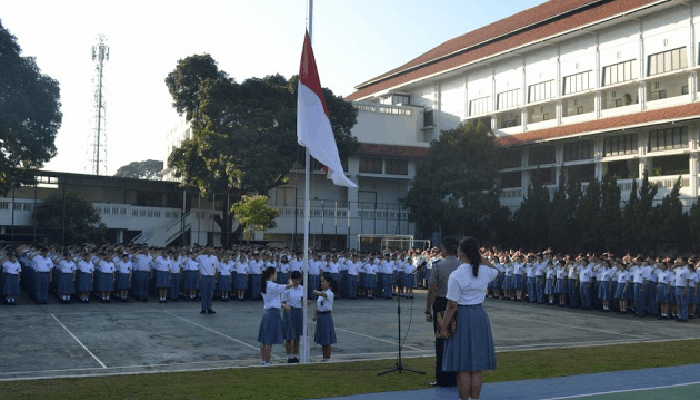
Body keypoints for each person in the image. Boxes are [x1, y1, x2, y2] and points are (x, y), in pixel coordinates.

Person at [440, 237, 498, 400]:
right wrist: (479, 257)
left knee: (463, 367)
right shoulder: (484, 271)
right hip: (479, 316)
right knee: (476, 367)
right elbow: (495, 269)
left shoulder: (456, 275)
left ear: (461, 253)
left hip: (462, 317)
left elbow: (452, 305)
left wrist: (443, 327)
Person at [425, 236, 459, 388]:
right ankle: (455, 378)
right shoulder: (463, 265)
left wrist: (427, 309)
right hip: (459, 305)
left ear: (445, 250)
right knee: (455, 341)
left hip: (441, 304)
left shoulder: (438, 266)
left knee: (441, 342)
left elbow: (432, 289)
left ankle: (442, 379)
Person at [258, 266, 294, 366]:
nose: (277, 275)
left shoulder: (265, 285)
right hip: (272, 313)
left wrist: (282, 305)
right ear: (271, 275)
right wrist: (290, 280)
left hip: (267, 312)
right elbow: (289, 285)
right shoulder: (272, 285)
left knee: (264, 339)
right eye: (276, 273)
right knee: (269, 339)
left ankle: (263, 360)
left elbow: (272, 300)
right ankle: (267, 361)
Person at [312, 272, 338, 361]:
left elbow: (324, 295)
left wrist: (316, 292)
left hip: (326, 316)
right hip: (321, 316)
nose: (322, 283)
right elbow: (318, 305)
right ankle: (324, 357)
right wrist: (315, 315)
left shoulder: (329, 293)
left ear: (329, 283)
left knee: (327, 339)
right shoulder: (322, 292)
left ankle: (327, 357)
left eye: (324, 281)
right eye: (321, 282)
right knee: (323, 339)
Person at [282, 270, 304, 363]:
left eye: (298, 280)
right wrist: (285, 307)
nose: (296, 282)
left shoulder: (302, 288)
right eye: (295, 280)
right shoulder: (287, 289)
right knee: (289, 336)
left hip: (298, 311)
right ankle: (289, 356)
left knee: (297, 336)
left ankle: (295, 355)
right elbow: (282, 302)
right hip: (289, 311)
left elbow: (304, 300)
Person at [197, 245, 219, 314]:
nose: (209, 250)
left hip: (212, 276)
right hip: (204, 276)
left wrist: (216, 276)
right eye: (207, 248)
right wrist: (201, 252)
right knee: (204, 293)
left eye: (210, 248)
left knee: (210, 293)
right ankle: (204, 308)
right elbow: (194, 258)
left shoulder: (214, 257)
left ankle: (209, 307)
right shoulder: (201, 257)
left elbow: (216, 267)